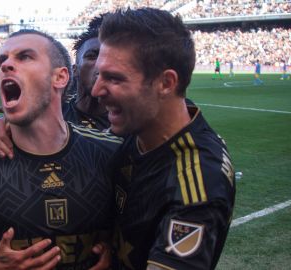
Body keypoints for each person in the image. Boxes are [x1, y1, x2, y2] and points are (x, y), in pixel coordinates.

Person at [0, 30, 120, 269]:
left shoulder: (111, 154)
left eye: (24, 57)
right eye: (2, 60)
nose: (6, 64)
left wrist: (118, 256)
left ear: (60, 77)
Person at [92, 8, 236, 269]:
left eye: (113, 78)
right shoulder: (144, 123)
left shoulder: (197, 186)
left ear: (166, 83)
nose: (96, 90)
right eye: (98, 74)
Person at [63, 13, 109, 130]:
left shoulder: (132, 123)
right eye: (92, 56)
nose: (101, 64)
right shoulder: (55, 112)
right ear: (74, 70)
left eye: (109, 58)